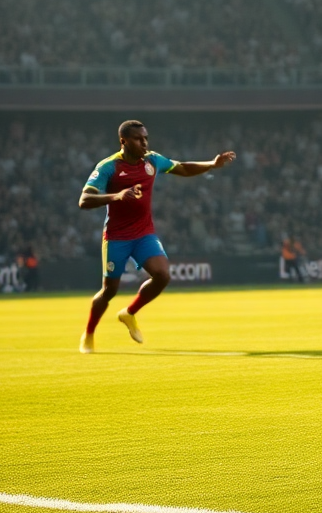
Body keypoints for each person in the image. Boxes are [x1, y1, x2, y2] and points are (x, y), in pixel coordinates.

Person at [77, 120, 235, 353]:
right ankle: (89, 333)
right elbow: (84, 200)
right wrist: (117, 196)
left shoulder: (152, 160)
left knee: (162, 275)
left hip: (144, 234)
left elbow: (182, 167)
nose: (144, 143)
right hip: (116, 237)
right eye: (138, 139)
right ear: (124, 141)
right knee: (109, 290)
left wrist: (211, 164)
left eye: (146, 138)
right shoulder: (108, 167)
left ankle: (129, 313)